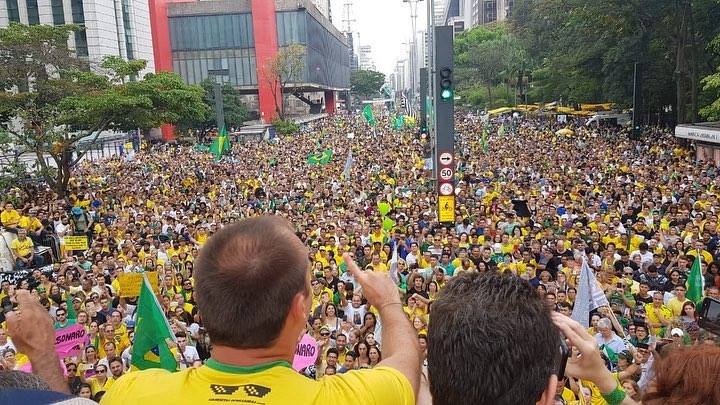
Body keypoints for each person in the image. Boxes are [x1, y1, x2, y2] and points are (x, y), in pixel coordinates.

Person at [103, 216, 420, 403]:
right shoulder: (347, 398)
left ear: (202, 302)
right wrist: (389, 302)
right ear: (299, 308)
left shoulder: (131, 393)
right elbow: (405, 366)